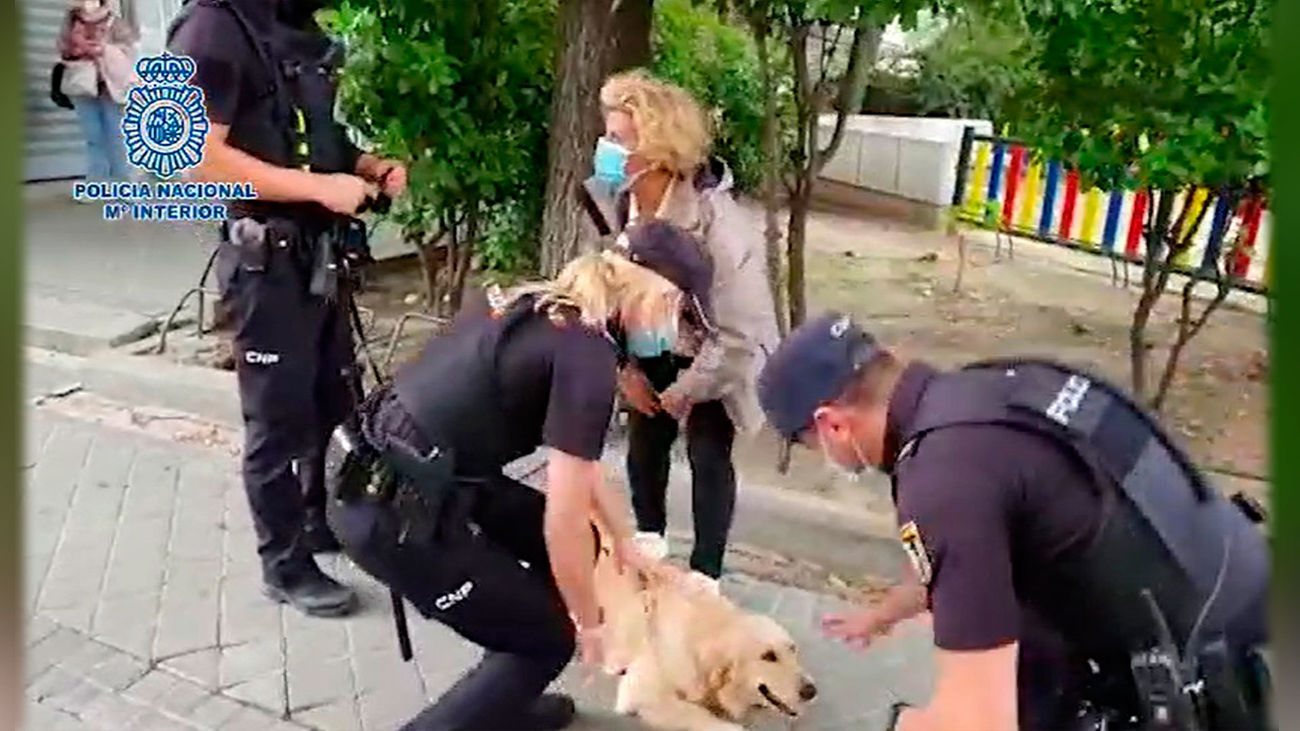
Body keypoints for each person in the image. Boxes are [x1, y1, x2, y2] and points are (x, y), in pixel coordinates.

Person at [757, 312, 1272, 731]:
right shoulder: (990, 391)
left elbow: (980, 720)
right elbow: (984, 543)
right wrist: (887, 612)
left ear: (832, 425)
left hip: (1227, 687)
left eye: (809, 443)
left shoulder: (942, 480)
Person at [323, 225, 712, 730]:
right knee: (548, 641)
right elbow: (563, 519)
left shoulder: (542, 305)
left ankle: (502, 696)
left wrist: (624, 540)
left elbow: (582, 474)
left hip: (404, 472)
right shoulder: (586, 358)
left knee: (584, 550)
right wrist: (589, 626)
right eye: (679, 311)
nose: (675, 330)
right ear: (655, 294)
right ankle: (516, 665)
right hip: (388, 514)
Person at [168, 0, 408, 617]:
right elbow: (192, 159)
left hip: (317, 258)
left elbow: (310, 134)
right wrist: (322, 190)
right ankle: (284, 562)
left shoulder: (295, 31)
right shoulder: (210, 28)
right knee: (276, 420)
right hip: (265, 262)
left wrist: (363, 165)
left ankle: (318, 518)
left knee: (333, 397)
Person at [580, 69, 780, 592]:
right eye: (608, 134)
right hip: (652, 336)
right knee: (644, 440)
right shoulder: (615, 198)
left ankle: (706, 575)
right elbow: (601, 289)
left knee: (708, 451)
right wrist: (624, 369)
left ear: (657, 146)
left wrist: (682, 394)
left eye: (618, 138)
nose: (606, 148)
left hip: (714, 346)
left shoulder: (719, 223)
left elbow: (737, 335)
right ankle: (650, 545)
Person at [58, 0, 137, 186]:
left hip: (111, 85)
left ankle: (124, 184)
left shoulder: (114, 21)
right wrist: (77, 49)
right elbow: (62, 48)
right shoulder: (71, 20)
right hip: (82, 84)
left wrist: (103, 50)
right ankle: (96, 182)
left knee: (117, 138)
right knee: (93, 138)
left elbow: (129, 49)